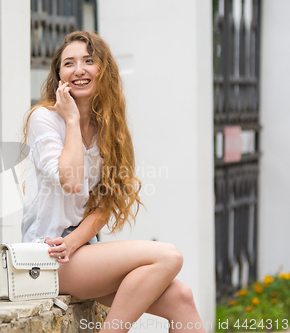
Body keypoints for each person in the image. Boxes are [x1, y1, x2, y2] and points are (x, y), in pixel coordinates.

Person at [21, 31, 206, 332]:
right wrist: (70, 120)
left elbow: (105, 203)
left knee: (181, 299)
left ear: (102, 70)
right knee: (168, 256)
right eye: (69, 63)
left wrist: (75, 240)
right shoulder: (44, 119)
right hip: (46, 254)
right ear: (58, 76)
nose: (79, 69)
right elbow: (70, 181)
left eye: (88, 61)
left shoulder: (108, 127)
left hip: (79, 248)